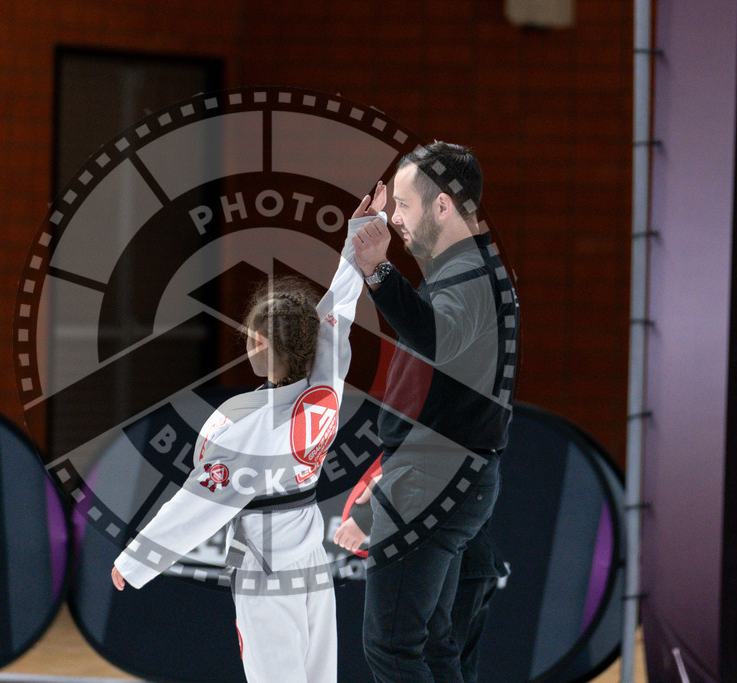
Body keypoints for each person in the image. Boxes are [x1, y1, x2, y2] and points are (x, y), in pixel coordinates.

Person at [110, 186, 388, 683]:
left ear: (259, 343)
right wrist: (353, 243)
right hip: (310, 557)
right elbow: (337, 316)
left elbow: (196, 506)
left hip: (265, 565)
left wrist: (137, 559)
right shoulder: (326, 385)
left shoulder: (244, 427)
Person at [333, 142, 518, 682]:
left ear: (443, 206)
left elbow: (436, 338)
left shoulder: (472, 277)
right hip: (443, 476)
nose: (394, 219)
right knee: (436, 648)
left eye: (404, 207)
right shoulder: (469, 271)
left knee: (394, 649)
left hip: (434, 481)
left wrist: (378, 270)